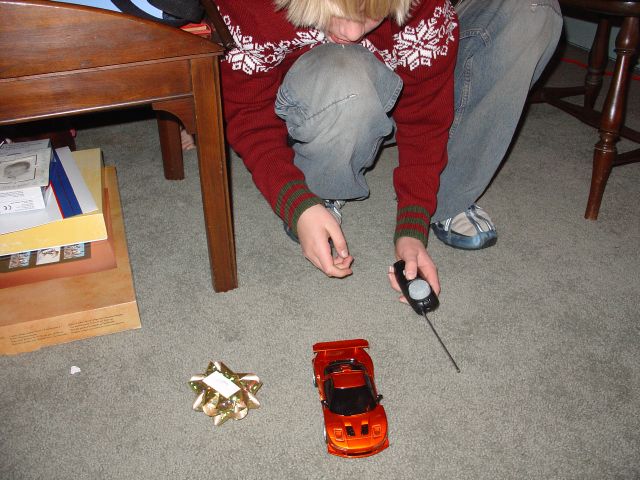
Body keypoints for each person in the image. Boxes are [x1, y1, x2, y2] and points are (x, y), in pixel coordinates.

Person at [215, 0, 562, 295]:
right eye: (337, 13)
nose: (352, 32)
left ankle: (447, 192)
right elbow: (247, 113)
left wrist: (413, 223)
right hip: (320, 97)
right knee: (344, 68)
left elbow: (426, 118)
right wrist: (295, 202)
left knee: (533, 8)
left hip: (399, 77)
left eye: (370, 14)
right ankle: (324, 180)